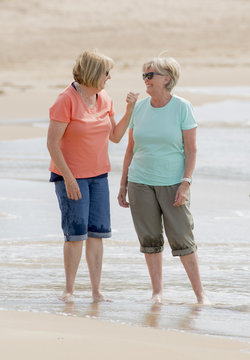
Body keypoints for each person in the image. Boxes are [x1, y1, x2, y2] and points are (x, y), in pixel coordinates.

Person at [47, 49, 138, 303]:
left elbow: (116, 136)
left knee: (98, 234)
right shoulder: (65, 100)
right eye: (106, 73)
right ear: (93, 73)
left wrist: (129, 110)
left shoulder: (104, 98)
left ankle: (97, 291)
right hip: (71, 177)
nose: (109, 78)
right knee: (76, 234)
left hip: (99, 176)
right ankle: (69, 290)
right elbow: (53, 144)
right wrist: (68, 178)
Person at [118, 56, 209, 305]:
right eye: (144, 75)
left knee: (183, 238)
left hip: (172, 183)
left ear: (166, 78)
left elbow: (191, 150)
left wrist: (185, 183)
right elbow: (130, 149)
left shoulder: (182, 107)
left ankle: (200, 295)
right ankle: (157, 292)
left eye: (150, 75)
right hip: (140, 182)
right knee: (150, 240)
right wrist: (123, 184)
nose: (145, 80)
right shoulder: (139, 108)